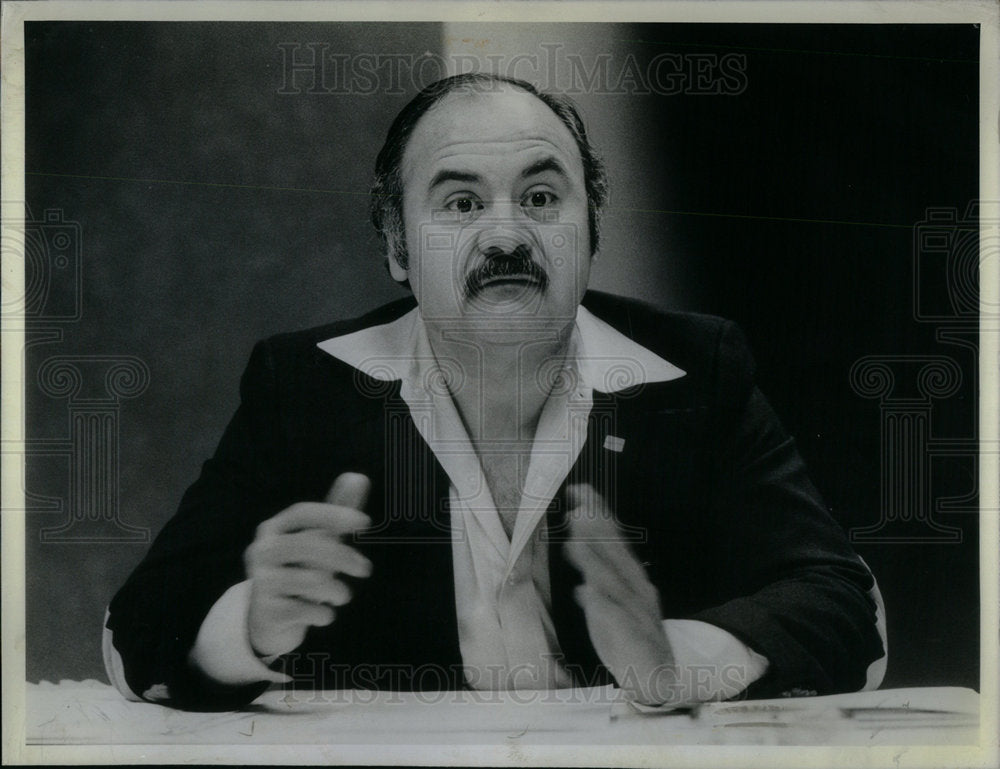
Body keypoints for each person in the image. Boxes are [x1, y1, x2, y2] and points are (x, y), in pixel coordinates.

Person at [103, 73, 887, 711]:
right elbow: (130, 632)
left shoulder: (697, 368)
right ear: (397, 249)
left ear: (591, 231)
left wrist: (679, 661)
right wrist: (253, 622)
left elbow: (849, 606)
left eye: (543, 198)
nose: (507, 236)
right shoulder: (304, 385)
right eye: (462, 204)